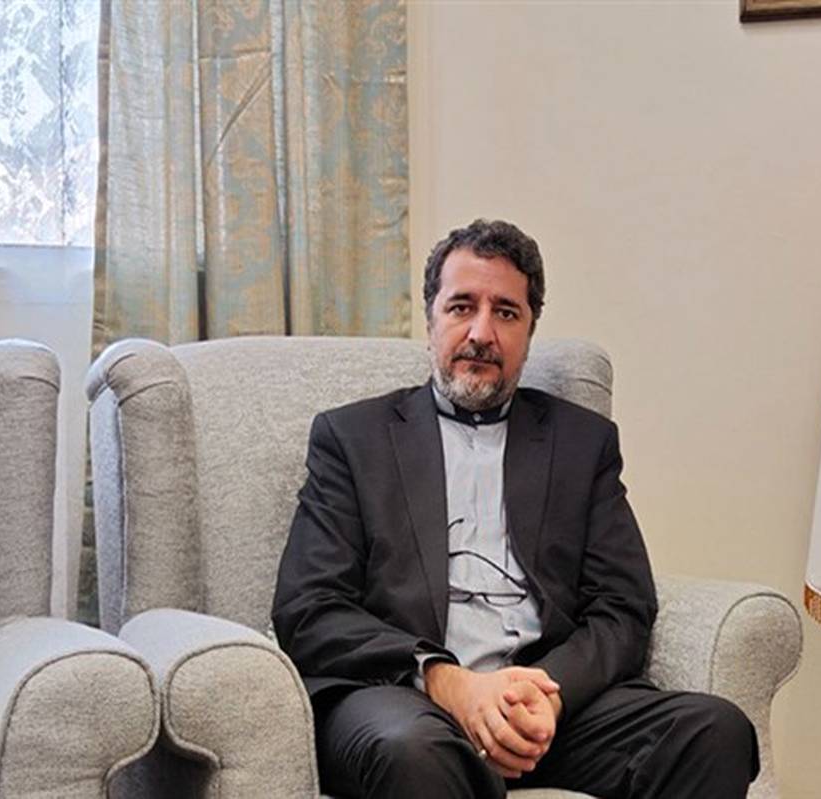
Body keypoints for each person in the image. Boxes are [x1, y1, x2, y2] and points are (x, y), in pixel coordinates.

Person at [271, 219, 759, 798]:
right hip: (406, 701)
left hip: (547, 711)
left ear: (529, 331)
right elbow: (309, 608)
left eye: (505, 312)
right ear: (430, 320)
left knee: (714, 731)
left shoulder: (582, 444)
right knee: (413, 750)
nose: (481, 332)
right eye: (461, 307)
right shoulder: (354, 438)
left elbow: (623, 605)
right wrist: (445, 680)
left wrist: (546, 693)